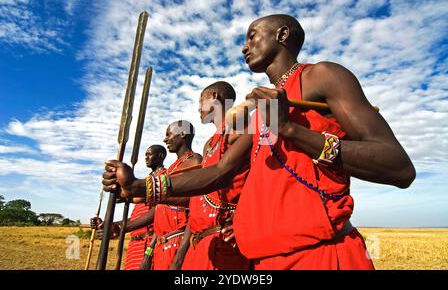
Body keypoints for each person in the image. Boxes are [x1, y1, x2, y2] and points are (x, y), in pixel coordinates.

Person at [102, 14, 416, 270]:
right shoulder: (260, 111)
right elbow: (219, 172)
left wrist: (291, 130)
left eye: (252, 35)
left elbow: (398, 166)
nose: (243, 47)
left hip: (321, 255)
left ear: (282, 35)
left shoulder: (322, 76)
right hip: (266, 263)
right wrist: (142, 188)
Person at [171, 81, 252, 270]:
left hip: (224, 244)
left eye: (201, 100)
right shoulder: (209, 144)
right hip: (199, 245)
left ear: (214, 97)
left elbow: (259, 178)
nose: (198, 107)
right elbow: (200, 197)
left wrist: (245, 219)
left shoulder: (239, 127)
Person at [90, 144, 166, 270]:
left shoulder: (163, 179)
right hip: (135, 245)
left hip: (151, 244)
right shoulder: (146, 182)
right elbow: (137, 217)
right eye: (145, 154)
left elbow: (158, 214)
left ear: (160, 156)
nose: (146, 157)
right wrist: (110, 224)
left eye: (149, 154)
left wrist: (121, 228)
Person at [151, 120, 202, 270]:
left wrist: (150, 192)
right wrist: (122, 226)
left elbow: (192, 201)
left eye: (169, 134)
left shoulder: (194, 161)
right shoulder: (172, 168)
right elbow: (159, 208)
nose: (165, 139)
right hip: (163, 245)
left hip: (178, 241)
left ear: (182, 134)